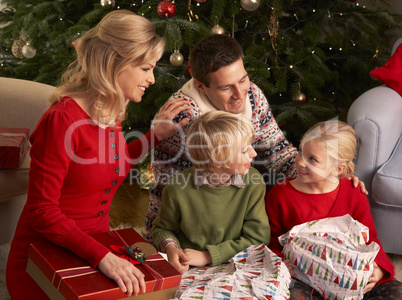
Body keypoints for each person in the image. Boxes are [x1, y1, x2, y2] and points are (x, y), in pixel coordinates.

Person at [6, 10, 191, 299]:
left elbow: (108, 166)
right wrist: (103, 258)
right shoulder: (62, 120)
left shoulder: (109, 111)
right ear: (115, 63)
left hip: (97, 247)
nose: (152, 79)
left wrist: (155, 136)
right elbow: (42, 211)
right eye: (145, 68)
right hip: (44, 259)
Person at [143, 33, 298, 243]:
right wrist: (163, 242)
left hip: (232, 214)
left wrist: (326, 173)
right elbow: (166, 190)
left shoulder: (252, 95)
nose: (239, 94)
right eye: (226, 87)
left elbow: (279, 153)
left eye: (242, 79)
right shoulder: (181, 117)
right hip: (191, 226)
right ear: (200, 86)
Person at [265, 120, 402, 300]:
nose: (300, 161)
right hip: (305, 279)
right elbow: (273, 242)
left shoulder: (354, 193)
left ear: (338, 169)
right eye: (301, 152)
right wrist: (280, 262)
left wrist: (378, 268)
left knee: (397, 293)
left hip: (351, 277)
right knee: (294, 295)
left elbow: (370, 239)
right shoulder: (280, 195)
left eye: (312, 159)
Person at [151, 111, 270, 274]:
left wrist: (208, 256)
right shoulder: (177, 189)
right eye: (244, 150)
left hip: (238, 267)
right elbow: (162, 229)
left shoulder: (253, 182)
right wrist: (171, 248)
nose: (253, 154)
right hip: (189, 270)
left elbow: (258, 239)